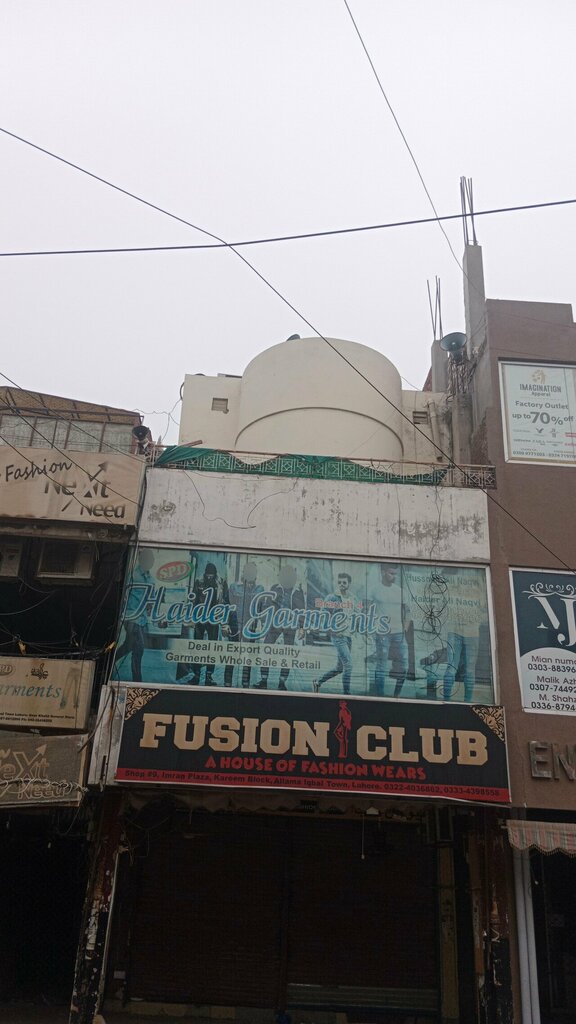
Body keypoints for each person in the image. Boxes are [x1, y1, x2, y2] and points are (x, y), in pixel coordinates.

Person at [256, 564, 305, 690]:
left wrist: (302, 627)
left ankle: (282, 682)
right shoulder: (275, 588)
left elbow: (301, 611)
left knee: (287, 653)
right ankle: (263, 680)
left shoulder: (298, 592)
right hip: (274, 624)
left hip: (290, 625)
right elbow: (268, 605)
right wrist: (264, 622)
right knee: (266, 649)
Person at [313, 572, 360, 695]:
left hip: (348, 636)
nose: (341, 585)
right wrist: (331, 631)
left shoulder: (353, 598)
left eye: (344, 582)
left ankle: (318, 681)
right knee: (348, 665)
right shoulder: (331, 597)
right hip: (338, 636)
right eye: (339, 582)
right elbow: (323, 615)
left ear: (349, 583)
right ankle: (347, 694)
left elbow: (357, 613)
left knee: (339, 668)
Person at [368, 564, 410, 697]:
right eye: (391, 573)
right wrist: (372, 627)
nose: (394, 576)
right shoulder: (374, 590)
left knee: (404, 665)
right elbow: (367, 609)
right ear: (383, 572)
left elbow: (407, 610)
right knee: (381, 665)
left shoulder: (399, 591)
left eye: (395, 574)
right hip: (382, 633)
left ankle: (396, 695)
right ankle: (380, 696)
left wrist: (405, 627)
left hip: (399, 633)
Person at [115, 548, 155, 681]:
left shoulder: (150, 579)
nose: (150, 561)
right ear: (141, 559)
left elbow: (150, 600)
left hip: (142, 620)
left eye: (151, 559)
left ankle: (110, 658)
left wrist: (151, 610)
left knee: (128, 646)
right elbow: (123, 596)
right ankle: (137, 681)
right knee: (139, 649)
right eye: (147, 558)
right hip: (131, 618)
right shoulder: (132, 575)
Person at [443, 573, 482, 702]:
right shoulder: (454, 586)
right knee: (454, 668)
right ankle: (449, 700)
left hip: (470, 631)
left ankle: (466, 702)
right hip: (457, 630)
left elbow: (485, 610)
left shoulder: (478, 587)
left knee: (466, 670)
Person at [189, 562, 230, 686]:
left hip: (214, 618)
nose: (209, 577)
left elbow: (226, 602)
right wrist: (192, 617)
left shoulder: (221, 582)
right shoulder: (198, 581)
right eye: (208, 575)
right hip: (200, 617)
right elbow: (193, 599)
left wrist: (224, 623)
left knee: (212, 648)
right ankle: (196, 675)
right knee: (198, 647)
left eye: (212, 575)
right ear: (205, 573)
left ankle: (209, 676)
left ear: (215, 574)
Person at [225, 561, 264, 687]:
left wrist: (262, 626)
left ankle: (245, 682)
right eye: (248, 571)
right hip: (235, 626)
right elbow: (227, 606)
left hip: (251, 628)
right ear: (244, 572)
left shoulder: (260, 589)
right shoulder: (234, 587)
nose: (250, 574)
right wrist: (225, 624)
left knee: (249, 657)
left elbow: (262, 609)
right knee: (231, 655)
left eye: (253, 572)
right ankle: (227, 682)